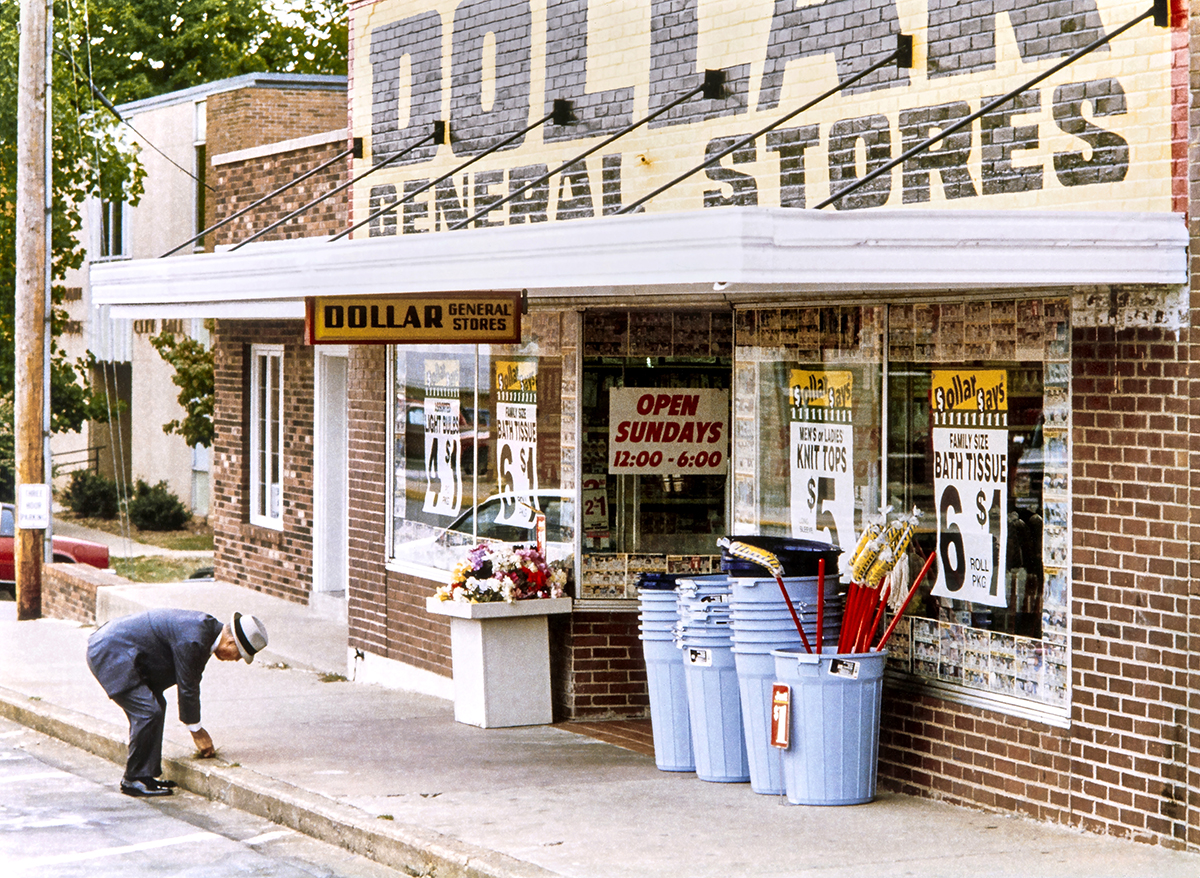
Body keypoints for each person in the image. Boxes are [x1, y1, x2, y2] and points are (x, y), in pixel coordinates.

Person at [86, 608, 268, 797]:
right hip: (110, 652)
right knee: (148, 712)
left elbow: (190, 679)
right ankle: (133, 780)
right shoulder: (195, 639)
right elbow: (188, 686)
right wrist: (197, 731)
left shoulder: (206, 631)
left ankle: (145, 776)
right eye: (239, 654)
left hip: (123, 652)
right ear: (230, 642)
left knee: (155, 706)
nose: (236, 660)